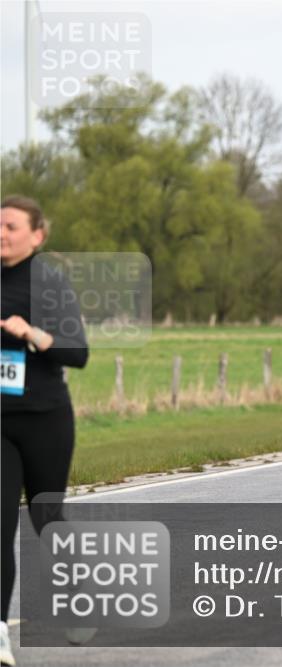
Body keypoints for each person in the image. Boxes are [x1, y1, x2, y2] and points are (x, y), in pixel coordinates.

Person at [2, 196, 89, 666]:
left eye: (10, 226)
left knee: (45, 518)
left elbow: (78, 352)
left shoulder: (49, 283)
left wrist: (30, 334)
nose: (0, 233)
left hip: (44, 419)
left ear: (37, 236)